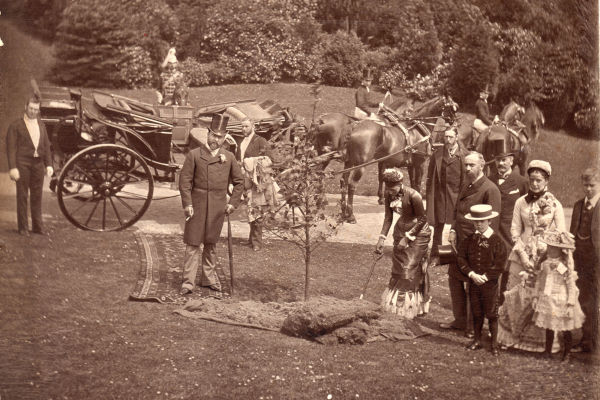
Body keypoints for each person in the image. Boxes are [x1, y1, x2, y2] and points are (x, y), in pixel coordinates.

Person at [497, 160, 566, 352]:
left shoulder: (555, 204)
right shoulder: (521, 202)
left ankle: (535, 343)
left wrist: (543, 254)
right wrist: (523, 254)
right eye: (532, 180)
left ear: (546, 181)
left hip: (544, 255)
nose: (535, 184)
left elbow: (560, 233)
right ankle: (509, 338)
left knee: (536, 298)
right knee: (515, 295)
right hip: (521, 254)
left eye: (539, 180)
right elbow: (515, 230)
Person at [178, 114, 244, 296]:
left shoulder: (229, 157)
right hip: (197, 206)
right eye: (214, 135)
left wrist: (232, 204)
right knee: (192, 244)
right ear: (207, 133)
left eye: (220, 137)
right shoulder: (194, 155)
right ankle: (188, 283)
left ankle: (208, 279)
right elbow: (184, 182)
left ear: (225, 137)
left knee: (211, 244)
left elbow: (240, 182)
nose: (216, 139)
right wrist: (187, 203)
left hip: (217, 207)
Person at [440, 151, 501, 335]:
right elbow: (457, 209)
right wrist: (451, 230)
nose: (467, 168)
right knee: (455, 280)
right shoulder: (466, 183)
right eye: (466, 165)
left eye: (471, 165)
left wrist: (482, 246)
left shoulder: (490, 189)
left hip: (475, 246)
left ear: (481, 166)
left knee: (472, 284)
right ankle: (459, 320)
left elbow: (492, 224)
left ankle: (471, 327)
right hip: (458, 242)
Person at [376, 168, 431, 319]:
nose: (390, 192)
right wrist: (381, 238)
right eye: (388, 188)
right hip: (400, 230)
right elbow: (388, 217)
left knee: (409, 268)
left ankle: (409, 306)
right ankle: (402, 306)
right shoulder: (388, 194)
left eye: (393, 188)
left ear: (400, 184)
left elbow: (423, 219)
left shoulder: (414, 195)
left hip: (419, 233)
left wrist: (407, 238)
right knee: (398, 268)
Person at [458, 204, 507, 356]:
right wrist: (472, 274)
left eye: (482, 221)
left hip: (490, 285)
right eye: (476, 222)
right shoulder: (469, 240)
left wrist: (486, 277)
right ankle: (477, 340)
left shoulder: (497, 241)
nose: (478, 224)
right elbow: (461, 258)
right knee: (476, 311)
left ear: (489, 221)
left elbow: (500, 264)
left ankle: (494, 344)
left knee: (492, 313)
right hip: (474, 283)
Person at [532, 229, 584, 361]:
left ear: (560, 250)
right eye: (549, 247)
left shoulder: (564, 266)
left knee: (564, 327)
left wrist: (570, 304)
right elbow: (539, 281)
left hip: (562, 299)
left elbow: (570, 285)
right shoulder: (544, 264)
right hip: (548, 298)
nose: (549, 250)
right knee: (550, 325)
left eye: (553, 248)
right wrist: (536, 296)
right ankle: (547, 350)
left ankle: (567, 352)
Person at [487, 142, 529, 303]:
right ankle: (490, 308)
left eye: (504, 159)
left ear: (511, 160)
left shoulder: (521, 182)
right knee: (490, 273)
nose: (501, 163)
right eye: (498, 160)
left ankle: (503, 309)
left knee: (507, 273)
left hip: (509, 235)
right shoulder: (489, 180)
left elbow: (529, 209)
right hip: (491, 234)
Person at [6, 96, 54, 236]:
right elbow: (11, 148)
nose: (33, 112)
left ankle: (38, 226)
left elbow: (46, 146)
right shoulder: (16, 125)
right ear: (25, 107)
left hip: (38, 164)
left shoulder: (41, 125)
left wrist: (49, 164)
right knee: (22, 195)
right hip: (23, 164)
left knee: (37, 195)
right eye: (31, 108)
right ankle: (23, 227)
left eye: (36, 109)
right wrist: (13, 167)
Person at [426, 126, 468, 265]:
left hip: (456, 196)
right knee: (438, 226)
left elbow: (465, 180)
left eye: (450, 137)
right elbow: (430, 177)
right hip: (440, 196)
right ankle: (436, 255)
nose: (448, 140)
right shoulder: (438, 155)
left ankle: (459, 255)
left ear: (457, 137)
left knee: (458, 225)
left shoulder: (463, 156)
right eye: (446, 137)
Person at [570, 167, 600, 353]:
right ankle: (585, 338)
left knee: (595, 300)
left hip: (597, 259)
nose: (588, 189)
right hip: (579, 259)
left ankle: (592, 341)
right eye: (586, 185)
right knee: (582, 298)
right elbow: (573, 232)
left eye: (593, 185)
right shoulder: (578, 205)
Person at [236, 117, 273, 252]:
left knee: (257, 210)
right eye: (242, 127)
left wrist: (250, 162)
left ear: (253, 126)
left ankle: (257, 242)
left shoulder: (260, 141)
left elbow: (269, 159)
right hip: (245, 179)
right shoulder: (241, 142)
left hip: (257, 180)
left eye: (246, 126)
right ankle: (251, 240)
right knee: (250, 209)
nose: (243, 129)